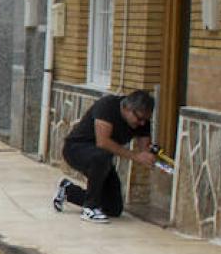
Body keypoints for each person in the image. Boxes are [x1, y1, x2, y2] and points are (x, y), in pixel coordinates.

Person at [55, 89, 157, 223]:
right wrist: (135, 156)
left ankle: (68, 191)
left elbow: (145, 149)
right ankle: (90, 208)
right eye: (139, 118)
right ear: (127, 108)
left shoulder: (142, 121)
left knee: (113, 207)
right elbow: (102, 142)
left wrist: (151, 156)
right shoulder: (107, 106)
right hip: (76, 149)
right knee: (102, 155)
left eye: (145, 119)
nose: (142, 123)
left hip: (102, 159)